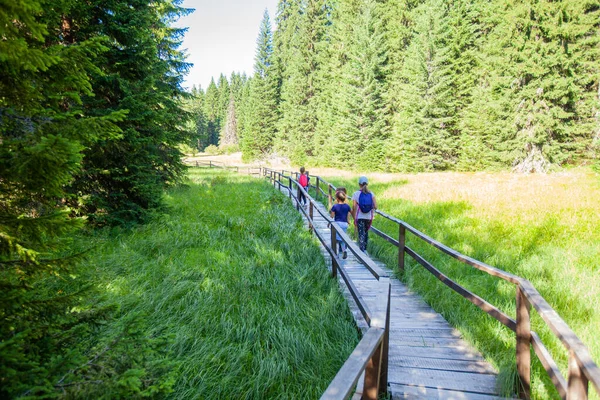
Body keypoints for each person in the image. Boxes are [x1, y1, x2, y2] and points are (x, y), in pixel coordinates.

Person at [352, 176, 377, 253]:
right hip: (368, 217)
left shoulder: (356, 194)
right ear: (367, 184)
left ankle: (361, 251)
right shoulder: (371, 194)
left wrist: (354, 218)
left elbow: (354, 207)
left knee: (361, 233)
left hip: (360, 217)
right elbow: (376, 206)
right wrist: (369, 208)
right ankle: (365, 250)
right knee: (366, 233)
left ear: (359, 184)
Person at [330, 190, 351, 259]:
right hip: (344, 224)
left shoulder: (335, 206)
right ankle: (344, 250)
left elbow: (332, 216)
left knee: (335, 239)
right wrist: (348, 221)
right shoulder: (347, 206)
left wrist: (329, 223)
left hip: (337, 224)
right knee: (342, 239)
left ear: (337, 199)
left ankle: (336, 254)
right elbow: (349, 214)